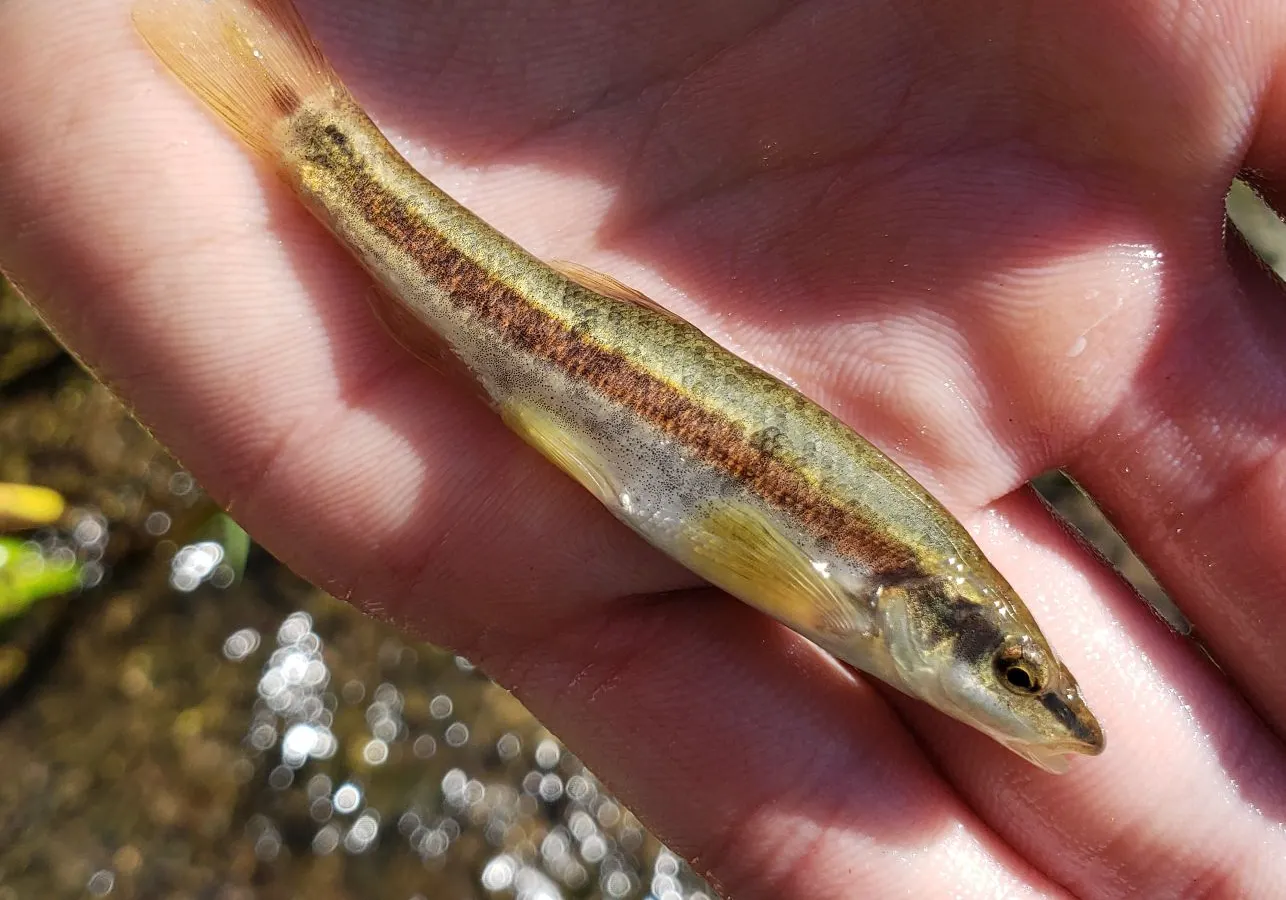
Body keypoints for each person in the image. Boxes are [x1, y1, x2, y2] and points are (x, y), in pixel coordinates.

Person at [3, 0, 1285, 895]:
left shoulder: (879, 596)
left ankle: (321, 145)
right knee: (371, 193)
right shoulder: (858, 583)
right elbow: (742, 545)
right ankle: (319, 143)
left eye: (1022, 679)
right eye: (1010, 672)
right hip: (575, 360)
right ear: (925, 617)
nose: (1027, 703)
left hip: (595, 373)